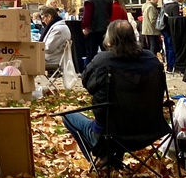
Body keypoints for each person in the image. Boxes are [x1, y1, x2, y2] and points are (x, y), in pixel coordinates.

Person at [61, 20, 165, 168]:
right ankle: (110, 159)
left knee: (67, 116)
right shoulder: (151, 59)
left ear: (110, 39)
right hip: (150, 129)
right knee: (119, 110)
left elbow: (88, 83)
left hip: (110, 134)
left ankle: (103, 159)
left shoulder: (103, 60)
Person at [81, 0, 113, 66]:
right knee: (107, 52)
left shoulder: (90, 0)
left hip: (93, 30)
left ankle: (88, 72)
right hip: (105, 29)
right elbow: (109, 14)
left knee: (91, 54)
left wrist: (84, 27)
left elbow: (87, 16)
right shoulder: (108, 0)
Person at [161, 0, 186, 73]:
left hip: (164, 28)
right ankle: (172, 66)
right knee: (172, 47)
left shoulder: (166, 3)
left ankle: (169, 66)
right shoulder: (175, 5)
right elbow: (176, 19)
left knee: (167, 47)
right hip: (170, 29)